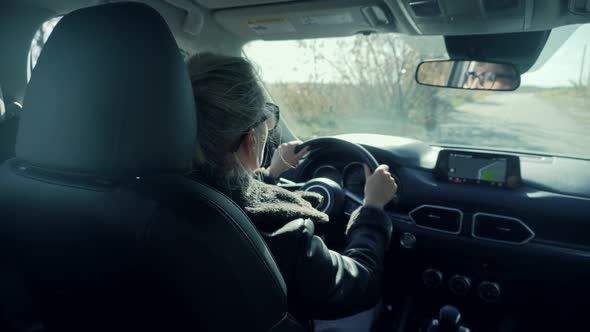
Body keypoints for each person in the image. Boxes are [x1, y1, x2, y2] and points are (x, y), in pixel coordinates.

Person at [187, 52, 397, 327]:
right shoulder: (279, 236)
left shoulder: (146, 195)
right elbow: (362, 283)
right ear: (251, 140)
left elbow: (233, 195)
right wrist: (372, 210)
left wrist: (270, 175)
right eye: (267, 119)